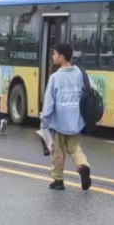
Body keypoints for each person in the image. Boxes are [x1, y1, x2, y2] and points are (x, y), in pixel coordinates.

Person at [41, 42, 91, 192]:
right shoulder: (79, 73)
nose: (53, 56)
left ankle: (58, 180)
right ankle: (83, 166)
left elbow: (49, 102)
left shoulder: (55, 77)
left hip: (59, 121)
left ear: (62, 57)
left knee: (58, 151)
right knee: (75, 149)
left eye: (54, 54)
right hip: (75, 120)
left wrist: (44, 120)